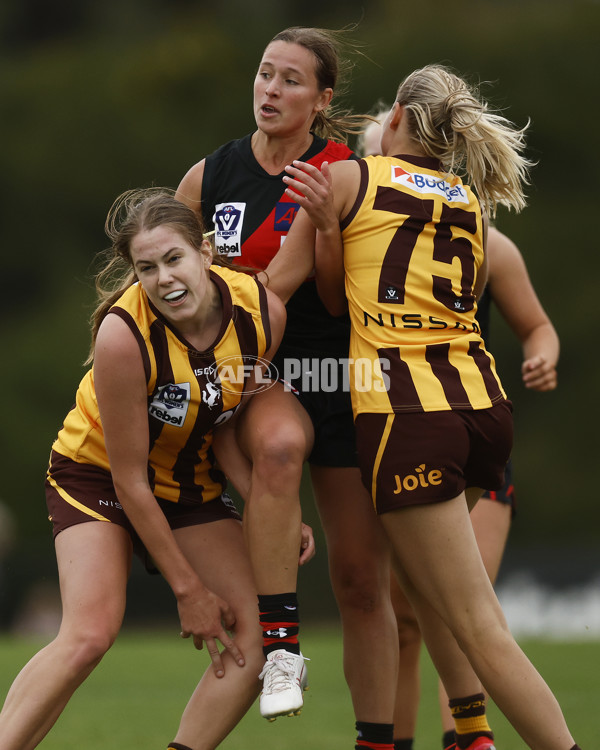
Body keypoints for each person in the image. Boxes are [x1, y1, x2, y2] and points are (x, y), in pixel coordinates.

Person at [280, 64, 581, 750]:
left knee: (477, 622)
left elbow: (329, 301)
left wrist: (324, 227)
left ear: (392, 123)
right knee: (425, 591)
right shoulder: (467, 201)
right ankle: (470, 734)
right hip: (482, 410)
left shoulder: (355, 179)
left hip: (408, 418)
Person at [0, 188, 288, 750]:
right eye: (146, 267)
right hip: (98, 476)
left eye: (174, 258)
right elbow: (130, 482)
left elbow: (225, 420)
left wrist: (266, 506)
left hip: (186, 481)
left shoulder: (262, 313)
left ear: (206, 252)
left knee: (261, 638)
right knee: (90, 634)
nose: (163, 279)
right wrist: (189, 590)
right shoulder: (121, 334)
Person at [175, 25, 399, 747]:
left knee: (363, 581)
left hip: (335, 373)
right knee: (275, 450)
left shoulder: (337, 170)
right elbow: (164, 283)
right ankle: (281, 651)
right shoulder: (208, 178)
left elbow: (321, 299)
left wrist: (328, 231)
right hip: (252, 372)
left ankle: (378, 739)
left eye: (291, 80)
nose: (271, 90)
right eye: (265, 74)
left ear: (322, 98)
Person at [357, 108, 561, 750]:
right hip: (460, 423)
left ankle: (469, 738)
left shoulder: (481, 238)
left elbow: (538, 325)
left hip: (427, 423)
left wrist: (542, 351)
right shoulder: (433, 217)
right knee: (414, 613)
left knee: (465, 614)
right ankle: (436, 739)